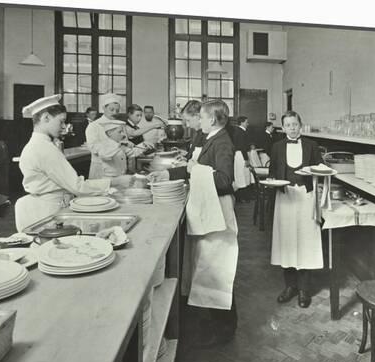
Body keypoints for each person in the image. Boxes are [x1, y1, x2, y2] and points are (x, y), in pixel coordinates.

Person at [148, 99, 238, 346]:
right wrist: (168, 174)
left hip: (219, 212)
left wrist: (197, 169)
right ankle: (217, 322)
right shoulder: (211, 139)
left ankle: (225, 330)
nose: (199, 121)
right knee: (208, 267)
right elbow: (192, 170)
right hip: (210, 210)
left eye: (202, 118)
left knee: (218, 269)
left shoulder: (222, 142)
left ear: (212, 119)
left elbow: (224, 180)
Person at [15, 94, 132, 232]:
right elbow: (77, 186)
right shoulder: (44, 148)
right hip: (48, 211)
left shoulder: (39, 144)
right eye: (61, 121)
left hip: (49, 207)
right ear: (45, 117)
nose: (64, 126)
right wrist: (116, 182)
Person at [269, 110, 324, 308]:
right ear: (282, 128)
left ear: (300, 125)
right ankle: (290, 286)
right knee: (287, 241)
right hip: (285, 197)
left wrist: (314, 171)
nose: (292, 128)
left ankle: (304, 290)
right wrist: (274, 181)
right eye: (288, 125)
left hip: (306, 196)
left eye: (295, 124)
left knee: (306, 242)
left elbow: (321, 167)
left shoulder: (311, 145)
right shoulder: (276, 146)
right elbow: (273, 171)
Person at [85, 93, 122, 179]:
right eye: (111, 109)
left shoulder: (119, 125)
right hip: (101, 170)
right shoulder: (94, 126)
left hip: (117, 168)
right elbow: (94, 148)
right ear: (104, 108)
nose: (114, 113)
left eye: (117, 110)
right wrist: (117, 145)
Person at [232, 116, 252, 202]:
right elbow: (242, 147)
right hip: (240, 155)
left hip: (238, 155)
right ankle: (242, 197)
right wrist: (246, 159)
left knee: (240, 175)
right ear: (242, 122)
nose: (248, 124)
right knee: (242, 176)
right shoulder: (241, 132)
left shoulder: (237, 131)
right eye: (246, 122)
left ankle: (242, 196)